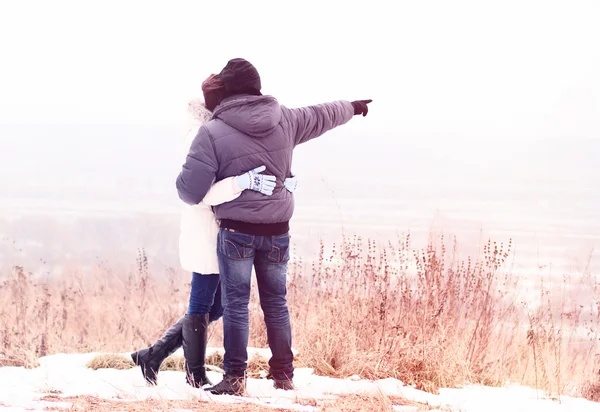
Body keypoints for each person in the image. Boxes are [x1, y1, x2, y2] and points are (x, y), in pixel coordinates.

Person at [176, 58, 371, 395]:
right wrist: (352, 107)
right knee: (276, 304)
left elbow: (189, 191)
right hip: (278, 229)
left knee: (237, 305)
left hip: (236, 231)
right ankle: (283, 375)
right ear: (257, 85)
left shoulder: (212, 132)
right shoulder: (286, 119)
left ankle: (235, 379)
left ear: (227, 89)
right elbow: (323, 114)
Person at [131, 73, 299, 387]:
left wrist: (282, 183)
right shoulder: (202, 132)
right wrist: (243, 183)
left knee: (220, 304)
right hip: (207, 228)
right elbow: (201, 192)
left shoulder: (225, 128)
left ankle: (154, 354)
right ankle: (194, 375)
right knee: (202, 302)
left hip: (229, 229)